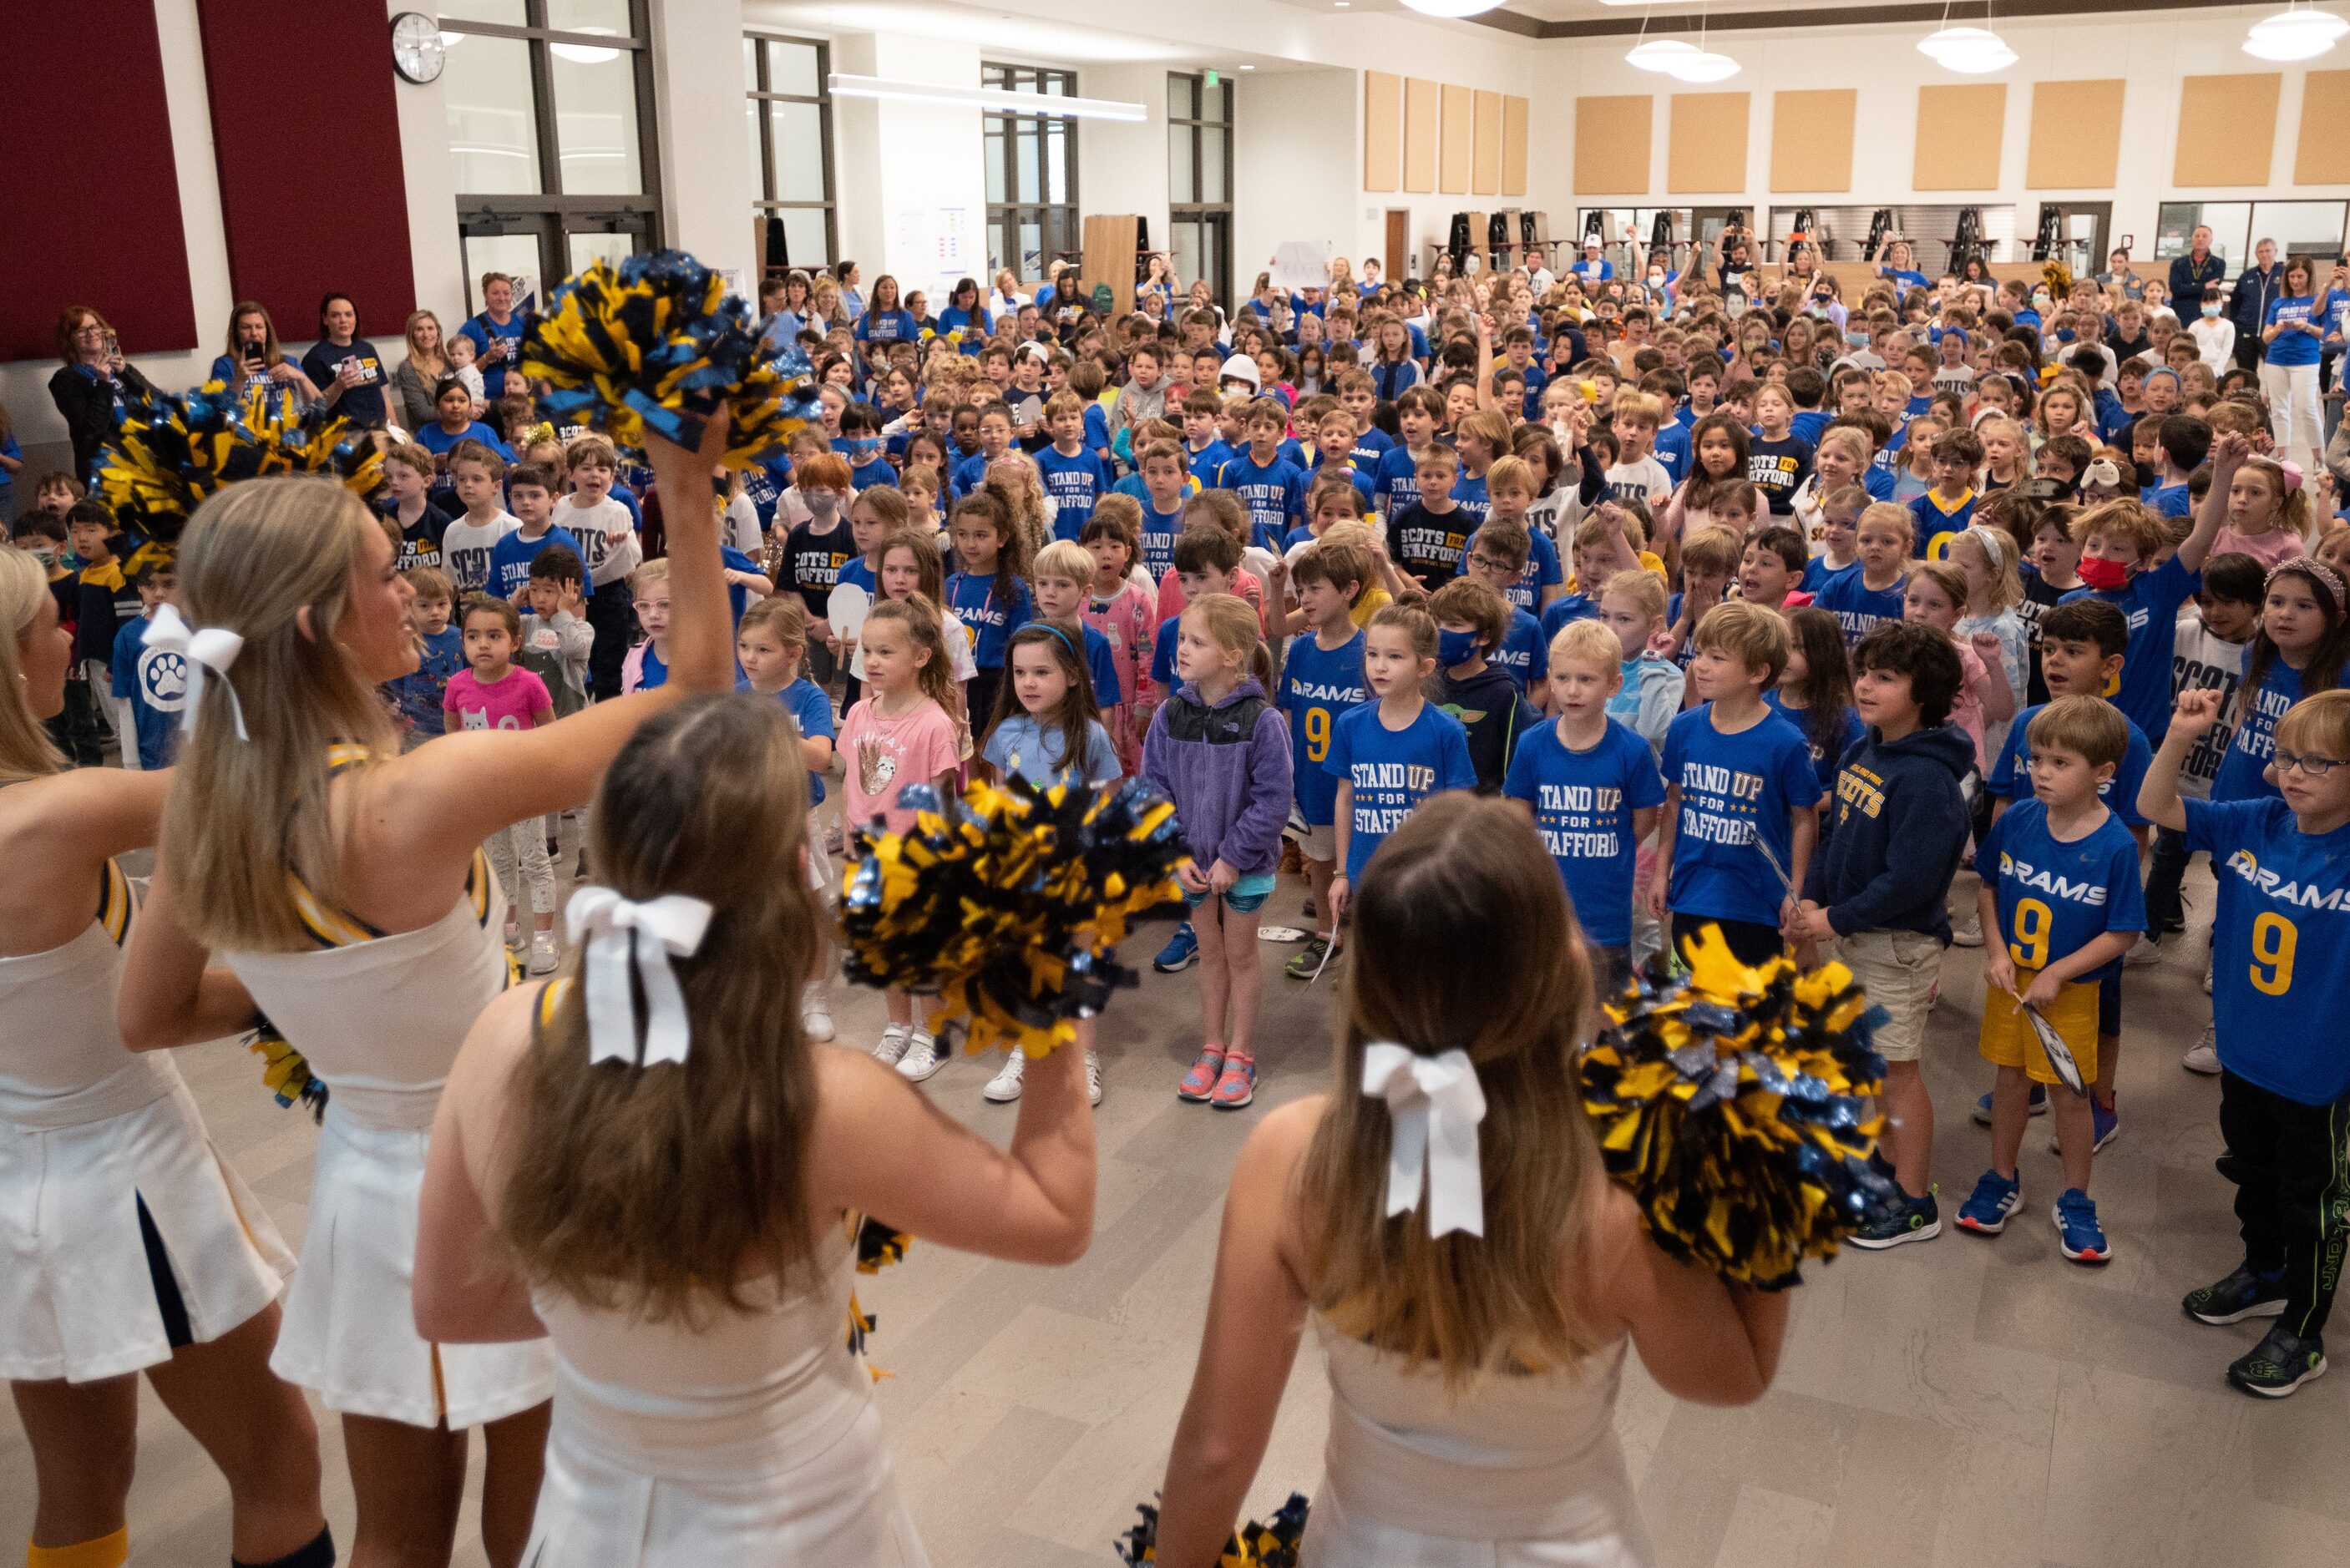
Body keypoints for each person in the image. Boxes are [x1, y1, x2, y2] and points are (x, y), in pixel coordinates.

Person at [114, 412, 735, 1568]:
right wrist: (686, 493)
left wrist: (321, 999)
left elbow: (149, 1014)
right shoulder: (411, 797)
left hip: (362, 1177)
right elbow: (697, 685)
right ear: (317, 622)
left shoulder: (211, 798)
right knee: (539, 1505)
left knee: (394, 1533)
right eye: (388, 574)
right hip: (507, 1168)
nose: (412, 590)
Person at [412, 690, 1097, 1560]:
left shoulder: (503, 1036)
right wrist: (1052, 1008)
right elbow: (1055, 1216)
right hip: (795, 1520)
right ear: (787, 880)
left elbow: (447, 1305)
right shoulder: (824, 1098)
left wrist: (622, 1335)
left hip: (591, 1513)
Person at [1146, 792, 1789, 1568]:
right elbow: (1731, 1376)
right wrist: (1768, 1164)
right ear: (1566, 968)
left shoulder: (1289, 1158)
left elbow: (1216, 1448)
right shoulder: (1618, 1183)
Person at [0, 545, 333, 1568]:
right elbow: (267, 790)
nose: (71, 636)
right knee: (280, 1466)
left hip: (18, 1179)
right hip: (124, 1180)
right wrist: (268, 646)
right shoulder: (57, 815)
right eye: (53, 621)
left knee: (81, 1484)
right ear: (11, 662)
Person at [2141, 685, 2350, 1398]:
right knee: (2251, 1172)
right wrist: (2178, 738)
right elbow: (2157, 809)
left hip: (2321, 1069)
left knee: (2314, 1198)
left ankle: (2305, 1328)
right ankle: (2263, 1271)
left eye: (2317, 763)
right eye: (2287, 756)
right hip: (2245, 1049)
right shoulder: (2256, 821)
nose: (2293, 773)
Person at [1789, 621, 1972, 1246]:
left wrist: (1833, 918)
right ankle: (1889, 1163)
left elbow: (1911, 883)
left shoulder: (1928, 782)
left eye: (1885, 678)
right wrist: (1812, 894)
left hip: (1897, 944)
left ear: (1924, 694)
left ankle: (1916, 1201)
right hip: (1855, 933)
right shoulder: (1865, 747)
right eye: (1864, 672)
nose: (1865, 685)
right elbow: (1836, 832)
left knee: (1898, 1072)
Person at [1960, 697, 2147, 1264]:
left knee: (2070, 1094)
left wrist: (2060, 972)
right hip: (2013, 985)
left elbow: (2123, 933)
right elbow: (1988, 887)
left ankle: (2076, 1199)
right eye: (2037, 759)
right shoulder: (2017, 819)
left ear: (2104, 774)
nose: (2041, 771)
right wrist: (1997, 952)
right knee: (2011, 1080)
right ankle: (2001, 1177)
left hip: (2071, 994)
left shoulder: (2114, 845)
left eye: (2060, 762)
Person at [1146, 593, 1292, 1110]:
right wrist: (1177, 850)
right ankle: (1212, 1047)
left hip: (1244, 867)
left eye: (1195, 641)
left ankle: (1242, 1053)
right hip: (1192, 866)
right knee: (1209, 953)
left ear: (1233, 654)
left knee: (1240, 956)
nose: (1181, 649)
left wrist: (1232, 857)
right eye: (1182, 639)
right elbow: (1155, 790)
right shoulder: (1169, 715)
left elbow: (1273, 801)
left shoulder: (1263, 721)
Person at [976, 620, 1121, 1104]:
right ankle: (1026, 1048)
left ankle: (1084, 1055)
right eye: (1019, 673)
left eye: (1041, 672)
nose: (1029, 683)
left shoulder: (1093, 738)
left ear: (1074, 676)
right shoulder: (1005, 736)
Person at [1649, 602, 1822, 967]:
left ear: (1758, 671)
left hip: (1755, 904)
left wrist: (1794, 890)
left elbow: (1805, 818)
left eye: (1717, 657)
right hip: (1692, 895)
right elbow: (1675, 802)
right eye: (1699, 654)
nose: (1701, 666)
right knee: (1693, 1013)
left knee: (1748, 1016)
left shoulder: (1785, 742)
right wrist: (1660, 872)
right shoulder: (1684, 727)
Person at [843, 597, 968, 1082]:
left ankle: (931, 1033)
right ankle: (899, 1026)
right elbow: (853, 782)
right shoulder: (857, 714)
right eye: (867, 651)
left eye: (885, 653)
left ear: (920, 656)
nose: (872, 662)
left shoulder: (935, 722)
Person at [49, 307, 156, 480]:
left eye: (95, 327)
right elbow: (91, 429)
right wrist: (103, 383)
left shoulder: (122, 369)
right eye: (81, 331)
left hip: (142, 457)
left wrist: (125, 373)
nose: (91, 334)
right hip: (103, 467)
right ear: (69, 340)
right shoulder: (66, 379)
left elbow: (158, 402)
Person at [2260, 255, 2327, 477]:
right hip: (2276, 360)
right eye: (2291, 277)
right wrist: (2278, 328)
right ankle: (2283, 458)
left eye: (2300, 276)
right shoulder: (2278, 303)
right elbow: (2266, 337)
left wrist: (2306, 326)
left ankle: (2318, 459)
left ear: (2309, 277)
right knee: (2279, 410)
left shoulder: (2317, 301)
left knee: (2307, 408)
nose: (2295, 281)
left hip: (2305, 360)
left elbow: (2327, 334)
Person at [299, 292, 390, 430]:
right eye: (336, 315)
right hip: (343, 436)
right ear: (325, 319)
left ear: (355, 318)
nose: (343, 320)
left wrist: (396, 429)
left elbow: (384, 395)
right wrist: (338, 386)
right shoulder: (315, 357)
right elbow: (315, 407)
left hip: (379, 430)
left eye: (348, 314)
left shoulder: (367, 349)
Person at [214, 301, 322, 407]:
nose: (254, 333)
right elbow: (222, 414)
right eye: (246, 327)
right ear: (236, 333)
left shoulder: (289, 362)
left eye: (259, 327)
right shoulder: (224, 365)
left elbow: (320, 407)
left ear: (267, 331)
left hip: (287, 423)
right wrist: (240, 380)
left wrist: (301, 377)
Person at [458, 272, 529, 404]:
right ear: (485, 294)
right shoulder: (471, 328)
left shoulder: (523, 323)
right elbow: (462, 374)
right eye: (495, 293)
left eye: (506, 293)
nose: (502, 298)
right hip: (487, 404)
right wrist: (487, 358)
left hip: (521, 403)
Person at [391, 309, 455, 430]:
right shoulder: (407, 368)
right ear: (412, 335)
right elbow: (422, 413)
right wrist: (461, 412)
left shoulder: (449, 362)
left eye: (430, 328)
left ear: (438, 332)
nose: (426, 334)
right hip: (428, 436)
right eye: (419, 329)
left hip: (456, 429)